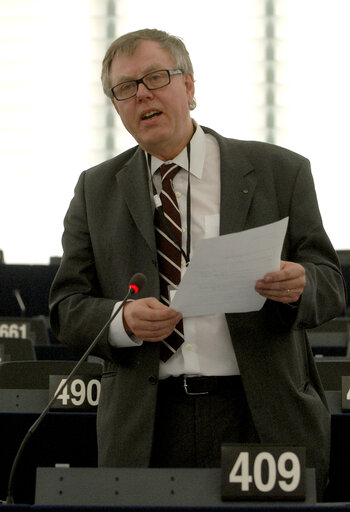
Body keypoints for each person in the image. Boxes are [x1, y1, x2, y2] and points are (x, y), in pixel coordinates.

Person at [49, 28, 346, 500]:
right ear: (117, 106)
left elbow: (331, 285)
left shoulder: (279, 171)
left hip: (260, 413)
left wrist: (301, 284)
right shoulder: (95, 190)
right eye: (125, 88)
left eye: (155, 77)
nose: (141, 93)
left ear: (189, 86)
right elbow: (65, 308)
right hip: (147, 422)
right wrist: (120, 320)